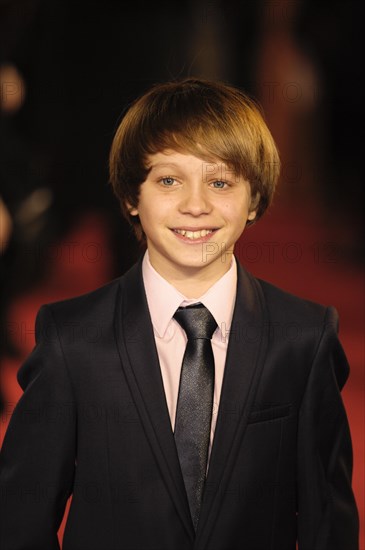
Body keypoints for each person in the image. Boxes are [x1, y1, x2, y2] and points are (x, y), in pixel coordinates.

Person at [0, 78, 359, 549]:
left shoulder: (303, 339)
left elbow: (326, 521)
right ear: (132, 197)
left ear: (253, 199)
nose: (195, 205)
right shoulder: (73, 341)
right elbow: (21, 519)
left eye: (220, 182)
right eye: (169, 180)